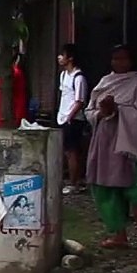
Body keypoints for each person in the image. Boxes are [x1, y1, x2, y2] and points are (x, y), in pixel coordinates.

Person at [85, 44, 137, 257]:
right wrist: (102, 112)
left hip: (130, 145)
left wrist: (117, 109)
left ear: (131, 61)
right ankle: (119, 235)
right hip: (105, 143)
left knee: (136, 192)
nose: (119, 63)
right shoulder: (104, 82)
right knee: (108, 190)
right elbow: (90, 111)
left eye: (124, 59)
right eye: (115, 59)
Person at [57, 44, 89, 194]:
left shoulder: (79, 77)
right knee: (66, 151)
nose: (59, 58)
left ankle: (74, 182)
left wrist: (70, 116)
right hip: (62, 116)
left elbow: (80, 100)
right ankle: (70, 179)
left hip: (74, 119)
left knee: (72, 151)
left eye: (62, 55)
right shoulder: (64, 75)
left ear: (70, 58)